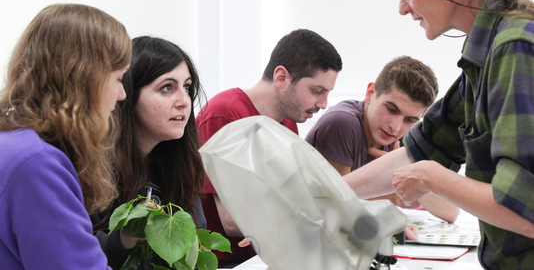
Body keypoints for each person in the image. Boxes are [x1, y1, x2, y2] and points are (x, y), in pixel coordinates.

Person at [344, 0, 534, 268]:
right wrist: (321, 197)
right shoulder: (485, 53)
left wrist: (434, 178)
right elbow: (423, 147)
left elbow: (525, 208)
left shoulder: (515, 48)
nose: (403, 8)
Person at [196, 28, 343, 267]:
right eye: (317, 91)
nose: (324, 104)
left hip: (266, 256)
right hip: (225, 263)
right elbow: (232, 220)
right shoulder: (225, 114)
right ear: (282, 77)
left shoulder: (287, 121)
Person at [0, 3, 131, 269]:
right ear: (85, 79)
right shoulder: (37, 164)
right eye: (118, 79)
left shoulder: (13, 142)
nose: (122, 95)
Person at [94, 36, 206, 269]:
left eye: (186, 87)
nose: (184, 101)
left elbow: (194, 238)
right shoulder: (90, 167)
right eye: (167, 88)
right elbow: (71, 256)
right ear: (127, 94)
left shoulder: (179, 161)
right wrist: (123, 240)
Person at [306, 56, 459, 225]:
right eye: (391, 109)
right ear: (370, 93)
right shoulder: (341, 124)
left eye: (410, 120)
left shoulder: (404, 137)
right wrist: (395, 195)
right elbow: (334, 205)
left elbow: (450, 212)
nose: (395, 127)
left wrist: (408, 172)